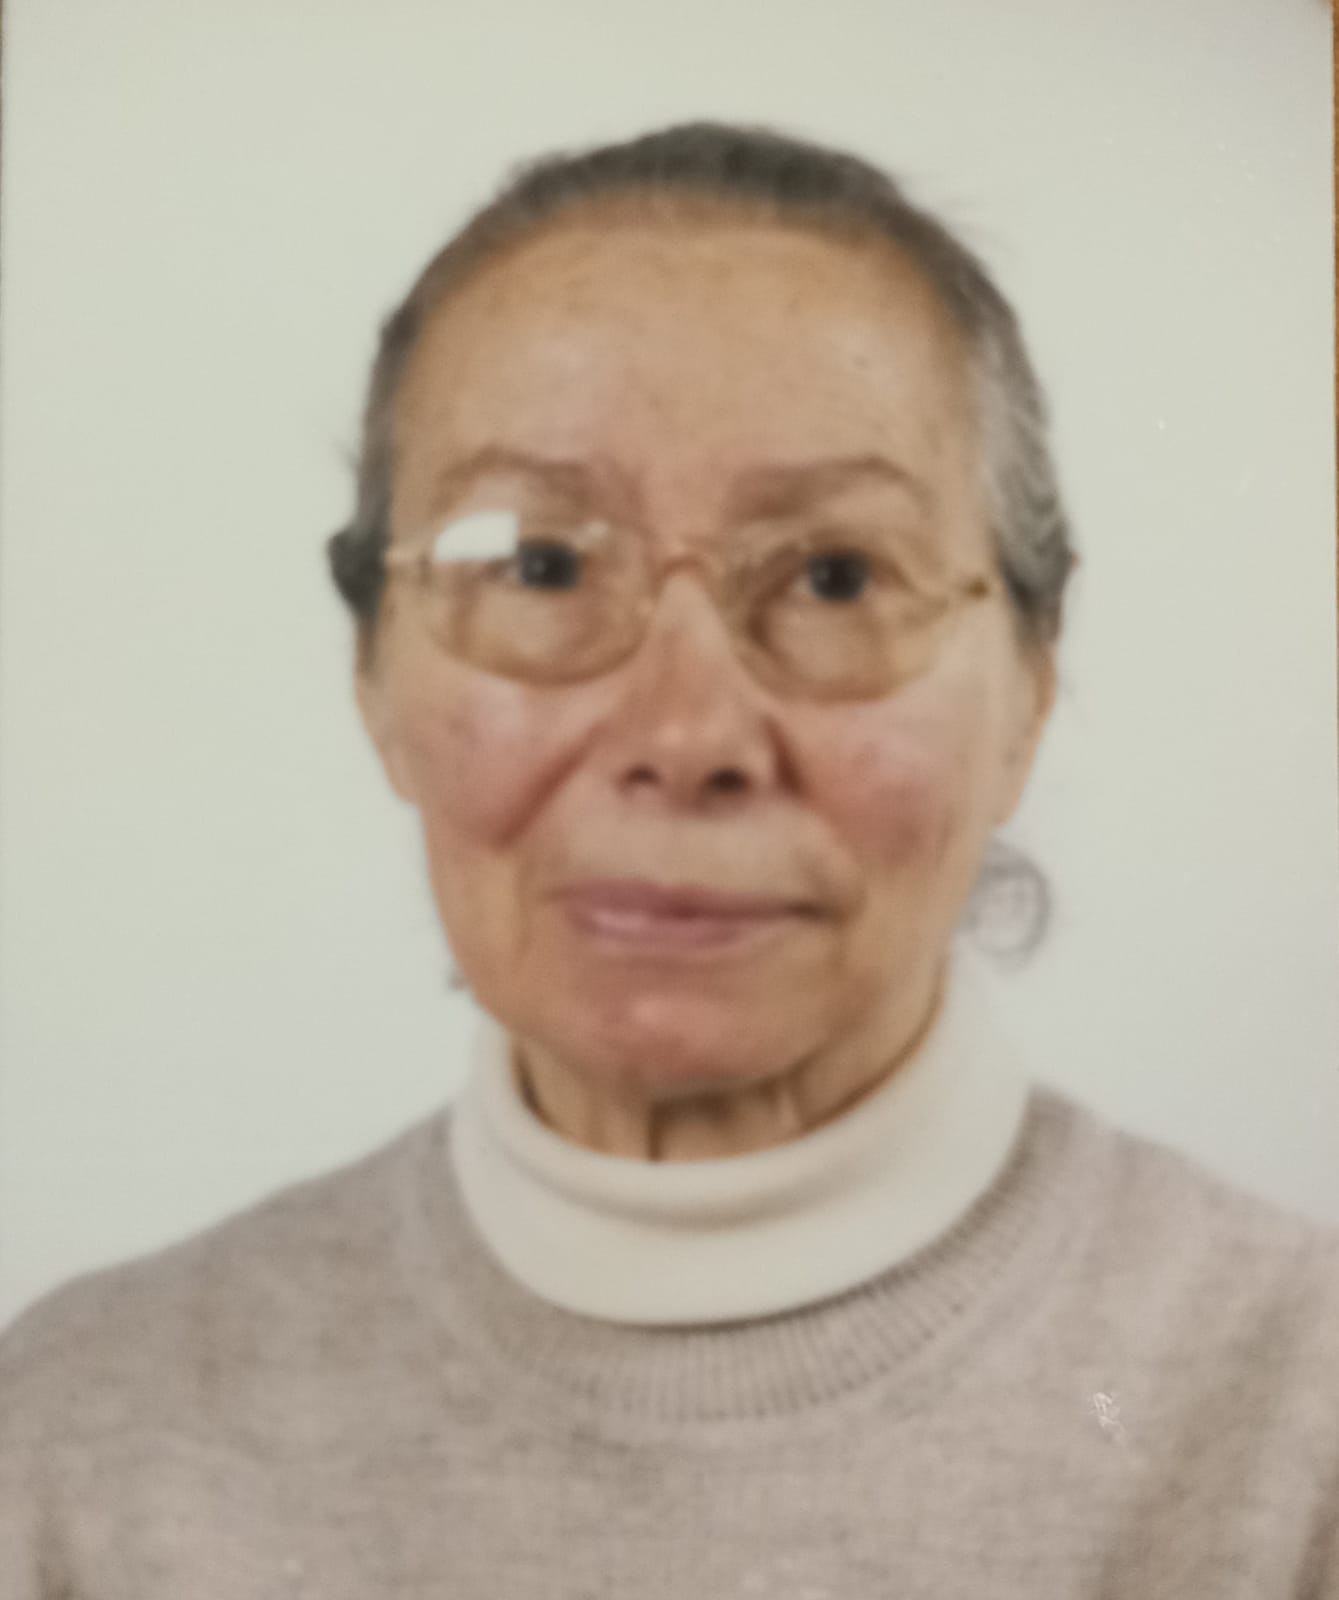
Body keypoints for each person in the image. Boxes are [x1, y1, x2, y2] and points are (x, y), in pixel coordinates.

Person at [1, 121, 1336, 1599]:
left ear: (1030, 682)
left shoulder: (1296, 1428)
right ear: (373, 675)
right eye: (543, 566)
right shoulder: (73, 1460)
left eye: (835, 576)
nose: (687, 731)